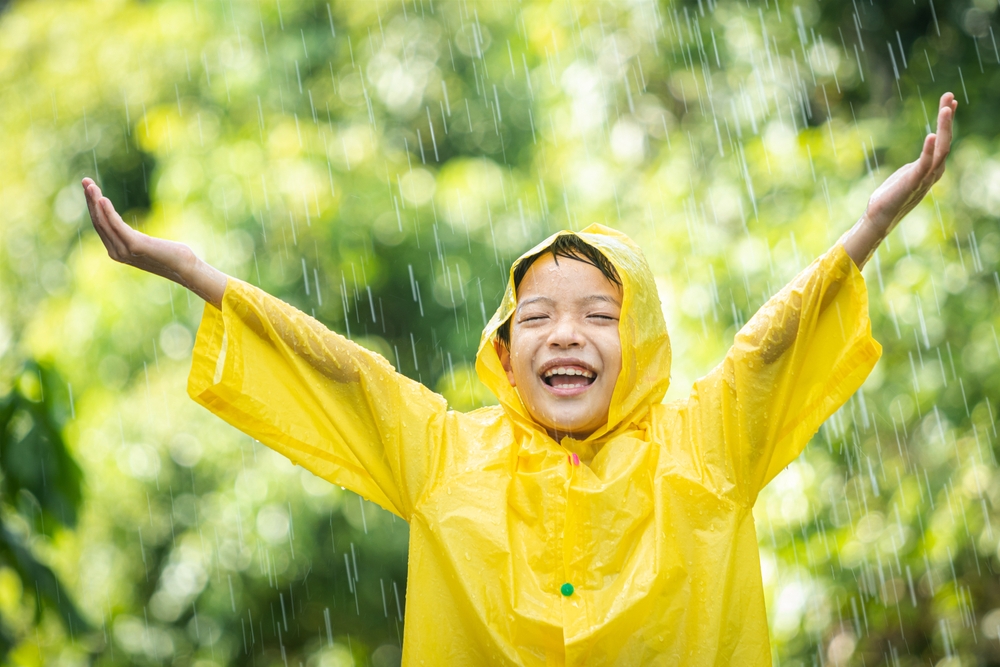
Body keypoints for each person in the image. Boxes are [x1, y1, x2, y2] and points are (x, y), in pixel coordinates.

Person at [83, 92, 958, 665]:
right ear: (504, 350)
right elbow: (339, 370)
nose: (566, 335)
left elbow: (770, 344)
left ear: (642, 343)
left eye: (600, 315)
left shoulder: (710, 442)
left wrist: (870, 228)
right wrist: (202, 275)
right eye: (537, 317)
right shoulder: (441, 453)